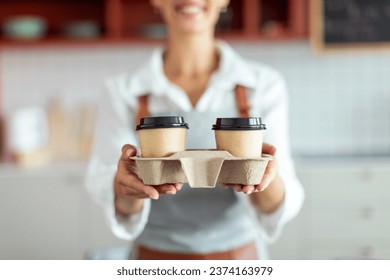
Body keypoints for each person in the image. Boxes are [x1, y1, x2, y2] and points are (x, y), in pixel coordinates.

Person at [86, 0, 304, 260]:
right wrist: (126, 188)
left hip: (239, 260)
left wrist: (261, 176)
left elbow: (279, 204)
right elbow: (112, 194)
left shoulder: (263, 85)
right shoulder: (122, 91)